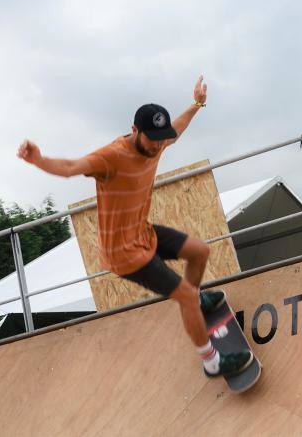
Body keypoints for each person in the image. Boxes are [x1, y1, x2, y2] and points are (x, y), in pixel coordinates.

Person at [16, 75, 253, 379]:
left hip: (144, 234)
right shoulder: (111, 157)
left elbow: (177, 129)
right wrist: (39, 159)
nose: (157, 145)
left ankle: (196, 303)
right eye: (152, 138)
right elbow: (70, 168)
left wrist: (197, 104)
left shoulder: (159, 141)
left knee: (200, 252)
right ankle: (212, 361)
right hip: (123, 255)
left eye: (160, 139)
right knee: (182, 294)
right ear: (134, 131)